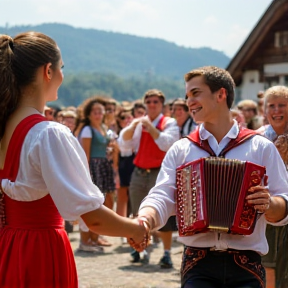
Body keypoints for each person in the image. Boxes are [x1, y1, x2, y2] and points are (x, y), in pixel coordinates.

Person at [0, 32, 148, 288]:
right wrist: (135, 229)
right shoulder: (48, 133)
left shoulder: (4, 127)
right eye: (62, 68)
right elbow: (93, 217)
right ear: (48, 71)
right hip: (41, 250)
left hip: (7, 244)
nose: (62, 75)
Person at [135, 66, 288, 288]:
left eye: (195, 93)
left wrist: (269, 204)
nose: (189, 101)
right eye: (187, 95)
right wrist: (145, 220)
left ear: (221, 94)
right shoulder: (182, 149)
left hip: (247, 264)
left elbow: (284, 201)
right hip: (198, 263)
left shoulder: (261, 147)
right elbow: (162, 196)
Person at [118, 89, 180, 267]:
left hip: (159, 172)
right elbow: (124, 145)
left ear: (161, 105)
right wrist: (132, 126)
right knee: (138, 214)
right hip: (139, 171)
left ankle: (167, 252)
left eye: (155, 102)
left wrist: (150, 127)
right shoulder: (139, 123)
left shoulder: (169, 122)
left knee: (163, 213)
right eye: (149, 102)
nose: (152, 105)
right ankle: (140, 250)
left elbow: (167, 144)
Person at [257, 85, 288, 288]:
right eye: (272, 106)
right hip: (267, 207)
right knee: (266, 264)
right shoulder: (257, 138)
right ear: (265, 111)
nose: (276, 110)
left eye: (282, 106)